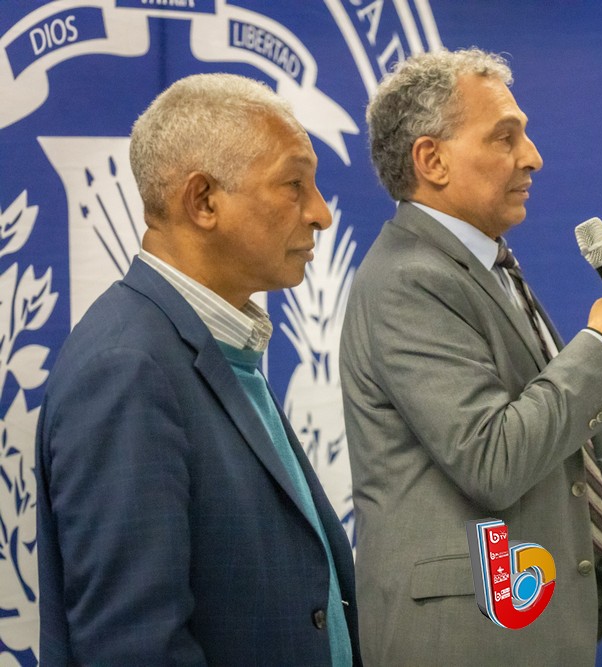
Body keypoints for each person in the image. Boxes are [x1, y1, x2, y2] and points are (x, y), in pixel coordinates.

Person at [340, 48, 602, 665]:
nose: (533, 156)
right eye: (504, 136)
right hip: (465, 640)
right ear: (432, 159)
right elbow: (491, 459)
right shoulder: (409, 279)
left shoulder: (483, 264)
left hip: (527, 621)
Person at [35, 73, 361, 665]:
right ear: (204, 201)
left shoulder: (214, 344)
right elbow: (134, 647)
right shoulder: (126, 370)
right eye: (294, 184)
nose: (320, 213)